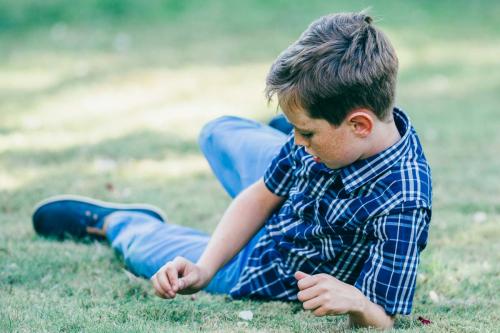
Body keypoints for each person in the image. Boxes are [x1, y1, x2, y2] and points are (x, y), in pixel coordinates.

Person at [33, 12, 431, 329]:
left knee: (143, 250)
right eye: (297, 130)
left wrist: (358, 303)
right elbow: (260, 195)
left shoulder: (403, 201)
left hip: (263, 265)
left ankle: (120, 221)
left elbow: (383, 317)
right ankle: (290, 134)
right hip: (298, 195)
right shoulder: (318, 146)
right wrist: (208, 264)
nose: (299, 142)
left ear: (358, 125)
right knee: (217, 131)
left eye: (306, 131)